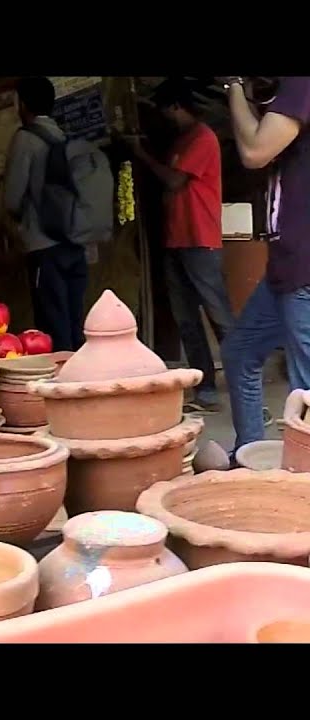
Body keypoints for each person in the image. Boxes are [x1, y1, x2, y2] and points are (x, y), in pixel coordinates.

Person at [127, 78, 234, 411]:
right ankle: (206, 390)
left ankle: (246, 383)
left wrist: (140, 154)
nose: (163, 117)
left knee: (219, 316)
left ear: (176, 107)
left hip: (200, 239)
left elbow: (174, 181)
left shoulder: (202, 138)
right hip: (178, 239)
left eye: (164, 110)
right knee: (187, 318)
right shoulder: (183, 139)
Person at [219, 76, 310, 458]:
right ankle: (251, 455)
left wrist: (234, 88)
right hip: (285, 268)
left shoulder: (301, 84)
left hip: (304, 267)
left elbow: (255, 151)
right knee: (240, 352)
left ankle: (299, 493)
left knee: (305, 394)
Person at [2, 77, 89, 351]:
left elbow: (12, 198)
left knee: (53, 320)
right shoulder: (66, 137)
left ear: (23, 104)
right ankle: (80, 376)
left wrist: (16, 223)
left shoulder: (25, 139)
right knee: (75, 318)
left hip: (44, 245)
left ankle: (61, 382)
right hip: (75, 242)